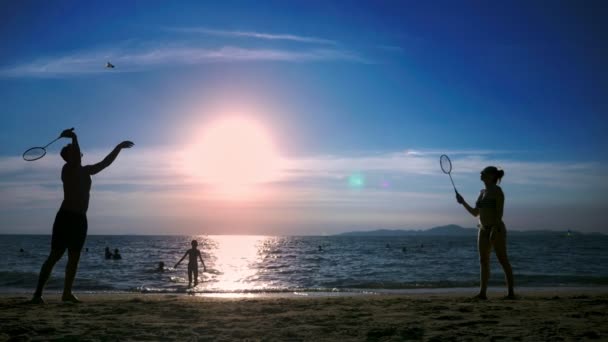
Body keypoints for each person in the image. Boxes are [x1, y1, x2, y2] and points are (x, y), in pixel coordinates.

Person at [31, 128, 134, 304]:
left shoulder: (86, 171)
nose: (78, 153)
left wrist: (118, 147)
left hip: (80, 219)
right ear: (68, 157)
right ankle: (38, 294)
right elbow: (76, 156)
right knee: (55, 256)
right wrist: (74, 138)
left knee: (74, 258)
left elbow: (105, 163)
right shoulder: (67, 169)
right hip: (65, 218)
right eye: (74, 152)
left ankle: (67, 293)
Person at [456, 166, 515, 300]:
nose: (481, 173)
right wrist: (462, 202)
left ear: (492, 176)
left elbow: (499, 214)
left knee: (502, 259)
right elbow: (475, 213)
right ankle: (482, 293)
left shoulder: (498, 191)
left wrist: (494, 229)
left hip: (496, 229)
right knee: (483, 261)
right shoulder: (481, 192)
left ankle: (511, 293)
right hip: (482, 229)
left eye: (484, 172)